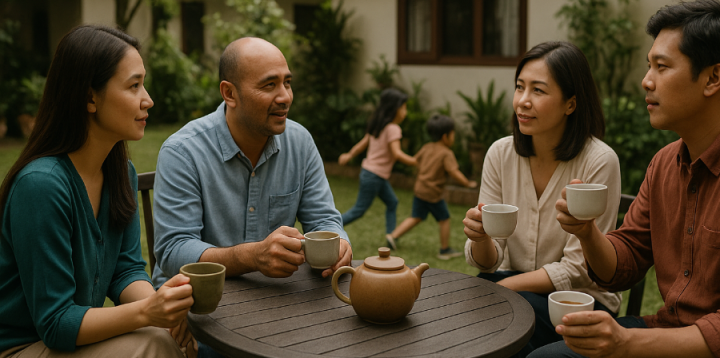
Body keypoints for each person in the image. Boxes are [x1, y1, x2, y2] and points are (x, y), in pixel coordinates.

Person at [534, 0, 720, 358]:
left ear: (713, 79)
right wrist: (586, 232)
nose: (646, 80)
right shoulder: (664, 163)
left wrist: (626, 342)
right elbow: (623, 264)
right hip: (669, 333)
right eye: (649, 66)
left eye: (662, 66)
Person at [0, 25, 196, 357]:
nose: (148, 99)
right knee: (155, 344)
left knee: (166, 337)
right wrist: (148, 314)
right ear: (90, 97)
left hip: (70, 341)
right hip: (22, 347)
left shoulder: (121, 172)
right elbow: (56, 323)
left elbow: (126, 269)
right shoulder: (41, 185)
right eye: (134, 86)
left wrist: (161, 313)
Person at [151, 37, 352, 355]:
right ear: (229, 93)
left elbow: (325, 219)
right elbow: (174, 251)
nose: (285, 96)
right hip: (197, 311)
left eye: (287, 82)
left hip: (274, 307)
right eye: (269, 85)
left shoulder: (300, 142)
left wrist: (339, 244)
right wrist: (252, 256)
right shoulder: (183, 151)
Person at [462, 41, 622, 355]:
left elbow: (578, 268)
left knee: (487, 322)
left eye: (538, 90)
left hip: (580, 301)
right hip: (508, 287)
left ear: (571, 104)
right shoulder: (500, 154)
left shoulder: (599, 161)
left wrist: (503, 288)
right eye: (519, 87)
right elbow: (490, 259)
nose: (522, 101)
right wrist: (479, 237)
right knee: (459, 316)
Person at [388, 114, 477, 259]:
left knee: (416, 216)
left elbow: (414, 161)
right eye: (453, 134)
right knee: (445, 219)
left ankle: (393, 236)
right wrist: (467, 183)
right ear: (445, 136)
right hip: (433, 194)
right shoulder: (446, 153)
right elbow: (454, 172)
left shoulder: (426, 147)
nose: (454, 137)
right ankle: (444, 250)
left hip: (420, 190)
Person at [338, 88, 418, 247]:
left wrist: (349, 154)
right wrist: (415, 162)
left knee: (392, 202)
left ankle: (391, 237)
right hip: (374, 176)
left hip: (373, 175)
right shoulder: (393, 128)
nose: (405, 112)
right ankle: (327, 226)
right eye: (403, 107)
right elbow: (397, 153)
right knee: (359, 210)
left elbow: (362, 145)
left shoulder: (378, 125)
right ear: (394, 109)